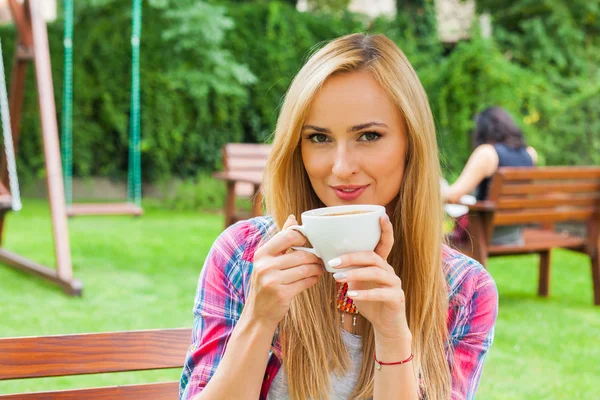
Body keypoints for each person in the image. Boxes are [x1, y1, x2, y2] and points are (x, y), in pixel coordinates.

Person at [179, 33, 498, 400]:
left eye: (368, 136)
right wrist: (259, 318)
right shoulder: (243, 255)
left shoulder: (462, 291)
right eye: (318, 138)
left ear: (411, 144)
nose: (341, 167)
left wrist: (393, 337)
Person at [443, 106, 538, 245]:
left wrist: (435, 189)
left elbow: (452, 196)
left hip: (484, 235)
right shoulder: (530, 153)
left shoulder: (487, 153)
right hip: (514, 235)